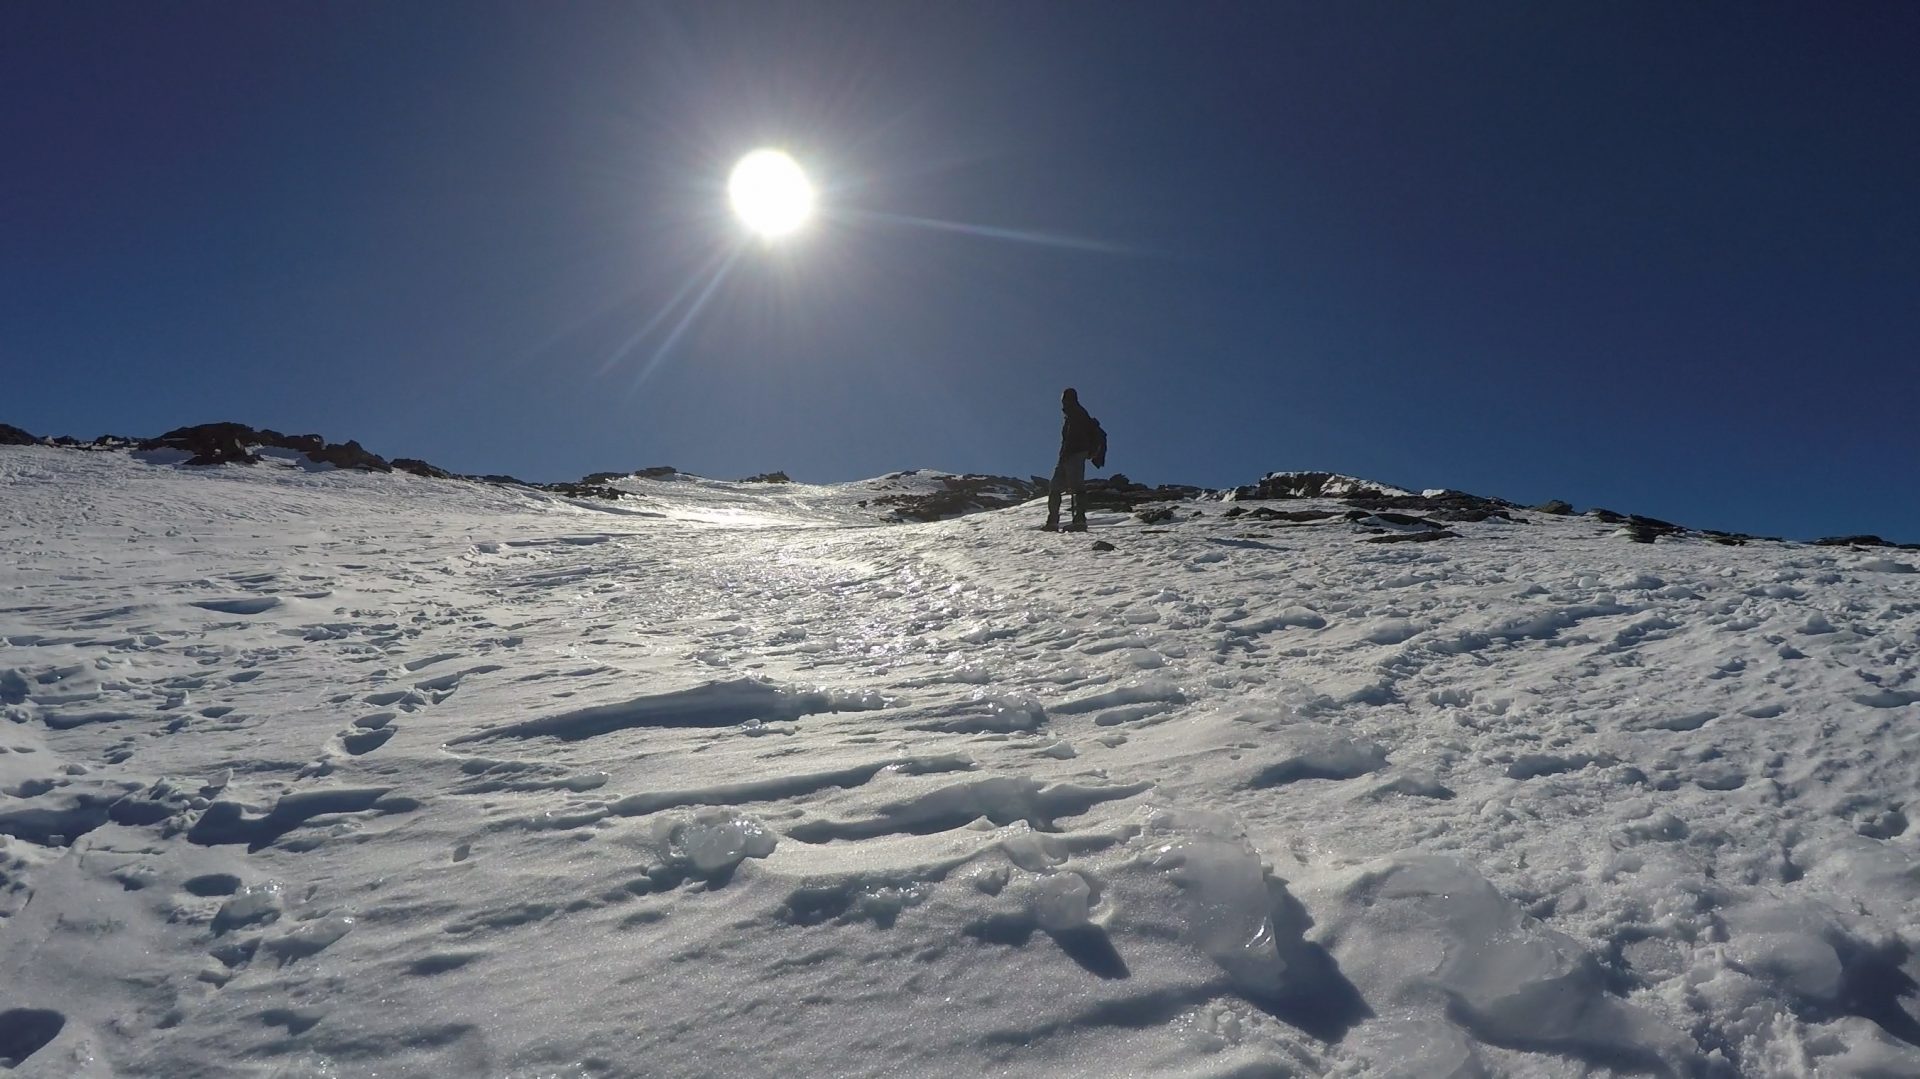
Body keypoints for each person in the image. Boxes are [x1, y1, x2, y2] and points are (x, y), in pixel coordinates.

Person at [1044, 387, 1105, 531]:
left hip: (1075, 453)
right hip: (1068, 455)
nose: (1063, 402)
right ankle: (1055, 521)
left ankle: (1078, 521)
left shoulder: (1078, 414)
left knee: (1076, 487)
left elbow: (1074, 438)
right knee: (1055, 487)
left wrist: (1074, 451)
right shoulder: (1073, 414)